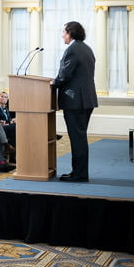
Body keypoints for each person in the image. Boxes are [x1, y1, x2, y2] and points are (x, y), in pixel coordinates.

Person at [52, 21, 98, 182]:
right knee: (80, 137)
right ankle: (79, 171)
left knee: (77, 138)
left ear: (70, 32)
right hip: (87, 100)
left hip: (75, 101)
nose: (62, 35)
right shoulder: (87, 48)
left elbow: (65, 74)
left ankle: (79, 174)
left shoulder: (72, 49)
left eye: (64, 32)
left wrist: (53, 83)